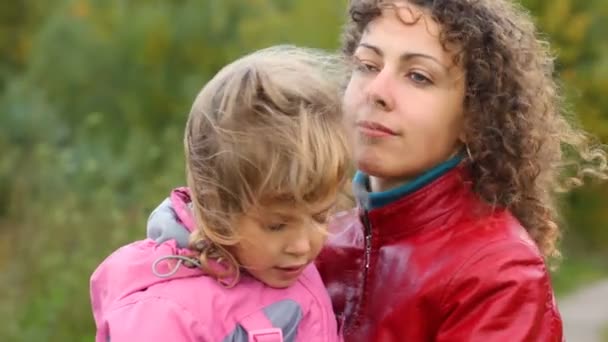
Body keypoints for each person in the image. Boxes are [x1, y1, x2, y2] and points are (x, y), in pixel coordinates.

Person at [147, 0, 608, 341]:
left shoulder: (498, 272)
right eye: (367, 66)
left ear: (474, 116)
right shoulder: (312, 235)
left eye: (418, 76)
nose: (377, 91)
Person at [90, 45, 350, 342]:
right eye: (277, 225)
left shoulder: (286, 267)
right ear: (217, 209)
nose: (303, 245)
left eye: (319, 216)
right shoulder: (163, 315)